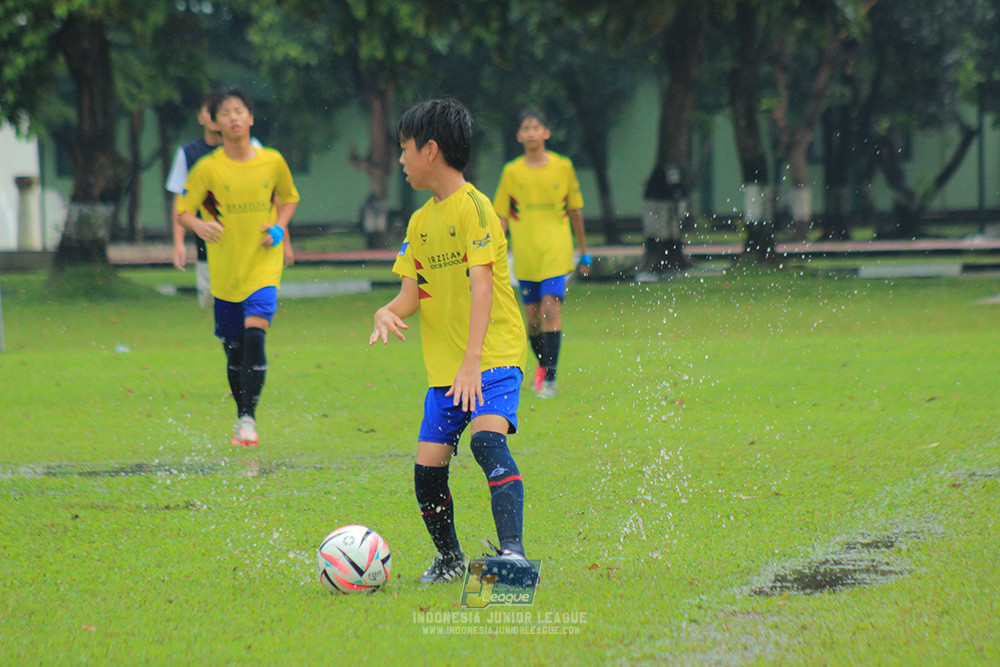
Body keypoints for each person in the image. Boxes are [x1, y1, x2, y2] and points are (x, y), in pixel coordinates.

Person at [369, 99, 532, 584]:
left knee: (486, 440)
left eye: (404, 149)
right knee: (427, 472)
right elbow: (410, 295)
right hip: (447, 370)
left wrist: (472, 362)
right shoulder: (419, 223)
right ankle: (450, 559)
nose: (400, 160)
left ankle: (512, 555)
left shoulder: (476, 208)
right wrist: (386, 311)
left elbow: (482, 287)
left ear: (430, 150)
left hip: (492, 356)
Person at [177, 88, 299, 447]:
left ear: (250, 118)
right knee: (233, 347)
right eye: (225, 112)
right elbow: (184, 211)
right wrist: (198, 226)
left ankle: (249, 419)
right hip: (225, 271)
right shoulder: (208, 167)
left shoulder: (272, 161)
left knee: (255, 335)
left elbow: (289, 198)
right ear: (215, 122)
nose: (233, 117)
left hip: (263, 264)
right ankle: (241, 416)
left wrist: (279, 228)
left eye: (239, 110)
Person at [493, 109, 590, 399]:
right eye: (526, 128)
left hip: (556, 252)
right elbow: (502, 216)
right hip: (526, 255)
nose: (532, 132)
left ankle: (550, 379)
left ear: (546, 132)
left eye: (537, 127)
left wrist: (583, 251)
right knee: (533, 321)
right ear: (519, 136)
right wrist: (496, 252)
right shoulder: (511, 172)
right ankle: (543, 366)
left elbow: (575, 211)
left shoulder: (563, 167)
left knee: (551, 309)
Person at [166, 92, 274, 308]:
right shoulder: (191, 154)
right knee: (215, 308)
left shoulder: (254, 149)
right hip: (211, 244)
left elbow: (274, 194)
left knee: (252, 308)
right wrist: (178, 243)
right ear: (204, 117)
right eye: (218, 112)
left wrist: (279, 232)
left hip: (249, 242)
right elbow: (181, 201)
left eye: (235, 111)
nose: (227, 117)